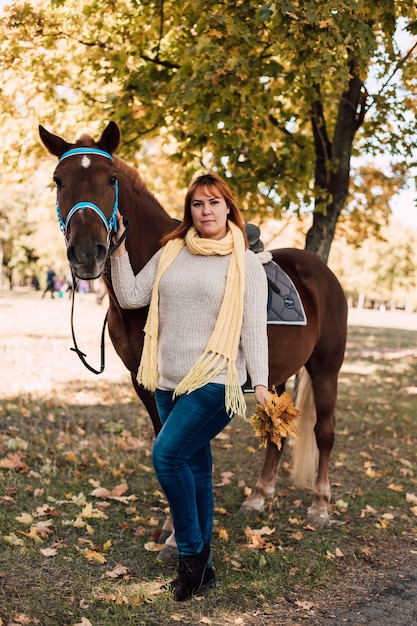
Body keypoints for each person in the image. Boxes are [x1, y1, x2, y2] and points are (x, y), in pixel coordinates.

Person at [110, 173, 269, 601]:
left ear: (228, 207)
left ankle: (192, 556)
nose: (206, 211)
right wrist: (120, 248)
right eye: (198, 204)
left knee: (166, 455)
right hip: (167, 381)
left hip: (216, 381)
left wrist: (263, 384)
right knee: (197, 470)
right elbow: (130, 296)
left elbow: (254, 327)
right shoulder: (172, 251)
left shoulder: (244, 262)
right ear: (189, 210)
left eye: (214, 203)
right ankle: (207, 570)